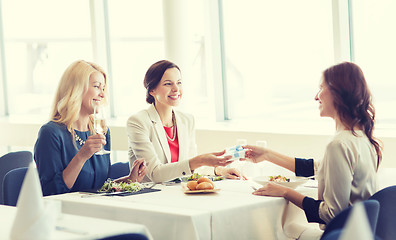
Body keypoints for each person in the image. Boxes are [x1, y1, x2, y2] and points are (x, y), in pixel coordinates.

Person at [242, 62, 382, 229]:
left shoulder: (339, 144)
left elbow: (332, 214)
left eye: (321, 88)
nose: (317, 96)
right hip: (362, 233)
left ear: (338, 92)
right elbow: (318, 168)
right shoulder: (361, 138)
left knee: (279, 232)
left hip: (341, 235)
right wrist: (267, 155)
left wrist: (286, 192)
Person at [34, 60, 147, 196]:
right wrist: (81, 156)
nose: (102, 94)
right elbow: (50, 191)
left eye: (103, 88)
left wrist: (129, 180)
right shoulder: (51, 133)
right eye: (96, 87)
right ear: (76, 89)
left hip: (95, 208)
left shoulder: (102, 130)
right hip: (66, 212)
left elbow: (99, 188)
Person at [126, 60, 240, 183]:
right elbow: (155, 173)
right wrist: (199, 160)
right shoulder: (138, 121)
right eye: (168, 84)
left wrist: (219, 170)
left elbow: (189, 168)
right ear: (152, 90)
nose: (176, 89)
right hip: (148, 196)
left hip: (179, 193)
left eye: (179, 83)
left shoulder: (187, 120)